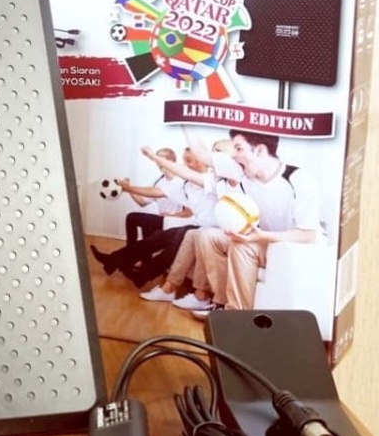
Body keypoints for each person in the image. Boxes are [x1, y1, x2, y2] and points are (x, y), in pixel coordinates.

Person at [148, 129, 322, 316]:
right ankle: (220, 302)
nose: (235, 156)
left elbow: (308, 235)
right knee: (207, 236)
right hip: (262, 242)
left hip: (290, 248)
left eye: (238, 149)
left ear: (259, 150)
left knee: (241, 245)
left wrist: (261, 236)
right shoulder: (242, 175)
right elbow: (199, 159)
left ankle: (235, 315)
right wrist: (182, 120)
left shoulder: (298, 179)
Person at [90, 147, 223, 289]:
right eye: (184, 161)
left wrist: (152, 157)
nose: (185, 165)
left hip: (205, 228)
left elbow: (188, 208)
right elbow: (156, 192)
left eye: (189, 161)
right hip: (196, 225)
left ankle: (136, 272)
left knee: (173, 238)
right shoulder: (185, 185)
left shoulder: (212, 180)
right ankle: (114, 261)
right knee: (156, 238)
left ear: (202, 159)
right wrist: (129, 189)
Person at [136, 139, 241, 311]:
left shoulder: (235, 176)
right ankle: (169, 288)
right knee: (193, 234)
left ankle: (201, 295)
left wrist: (154, 157)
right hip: (215, 229)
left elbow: (186, 174)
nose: (214, 155)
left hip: (230, 233)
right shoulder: (216, 180)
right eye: (214, 151)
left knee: (201, 234)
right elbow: (185, 174)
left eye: (220, 151)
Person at [116, 146, 192, 244]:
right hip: (163, 220)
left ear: (170, 161)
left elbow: (189, 212)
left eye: (159, 158)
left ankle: (140, 252)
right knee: (132, 218)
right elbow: (142, 202)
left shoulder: (181, 181)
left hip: (177, 223)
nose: (156, 162)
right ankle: (131, 250)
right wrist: (128, 189)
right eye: (156, 159)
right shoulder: (158, 181)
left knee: (147, 221)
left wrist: (172, 215)